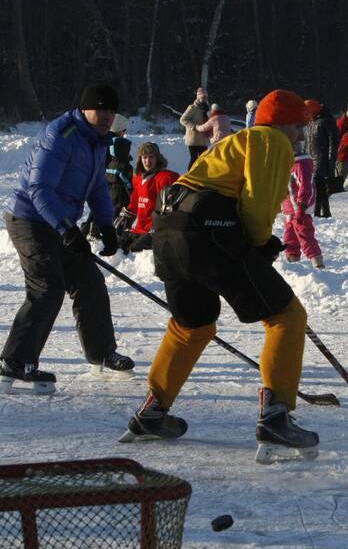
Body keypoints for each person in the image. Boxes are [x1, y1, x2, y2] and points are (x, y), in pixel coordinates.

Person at [120, 89, 319, 464]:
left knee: (191, 325)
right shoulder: (270, 139)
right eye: (298, 126)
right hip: (207, 236)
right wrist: (259, 244)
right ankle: (276, 416)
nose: (298, 135)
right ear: (284, 123)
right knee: (286, 317)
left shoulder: (236, 141)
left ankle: (152, 410)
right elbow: (259, 202)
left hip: (169, 233)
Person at [0, 84, 135, 393]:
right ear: (85, 109)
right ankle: (15, 361)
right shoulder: (60, 136)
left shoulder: (99, 141)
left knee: (89, 282)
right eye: (101, 111)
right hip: (30, 219)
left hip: (59, 222)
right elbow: (40, 189)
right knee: (47, 286)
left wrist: (107, 227)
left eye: (112, 112)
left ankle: (101, 353)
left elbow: (98, 186)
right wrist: (67, 229)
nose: (107, 117)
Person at [114, 141, 179, 253]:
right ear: (140, 158)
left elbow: (169, 208)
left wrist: (158, 227)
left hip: (155, 231)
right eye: (144, 157)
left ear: (157, 158)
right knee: (118, 246)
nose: (148, 161)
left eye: (151, 157)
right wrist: (126, 215)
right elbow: (135, 202)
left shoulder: (165, 178)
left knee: (134, 251)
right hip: (139, 229)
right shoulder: (138, 177)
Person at [282, 147, 323, 267]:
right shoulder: (287, 163)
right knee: (290, 233)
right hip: (289, 207)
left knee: (305, 233)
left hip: (300, 207)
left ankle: (316, 260)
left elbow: (305, 186)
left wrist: (302, 206)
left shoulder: (300, 164)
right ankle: (292, 258)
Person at [305, 99, 339, 218]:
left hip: (322, 158)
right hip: (312, 157)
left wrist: (331, 159)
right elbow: (308, 141)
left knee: (319, 186)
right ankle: (322, 212)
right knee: (318, 186)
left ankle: (320, 212)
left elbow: (333, 141)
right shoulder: (311, 121)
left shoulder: (327, 120)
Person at [180, 86, 211, 168]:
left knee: (203, 160)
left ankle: (201, 177)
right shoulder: (192, 108)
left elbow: (210, 120)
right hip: (193, 139)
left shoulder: (207, 108)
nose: (204, 99)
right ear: (198, 97)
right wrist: (194, 127)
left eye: (206, 97)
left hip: (204, 139)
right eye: (203, 97)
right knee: (194, 159)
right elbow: (183, 119)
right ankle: (189, 176)